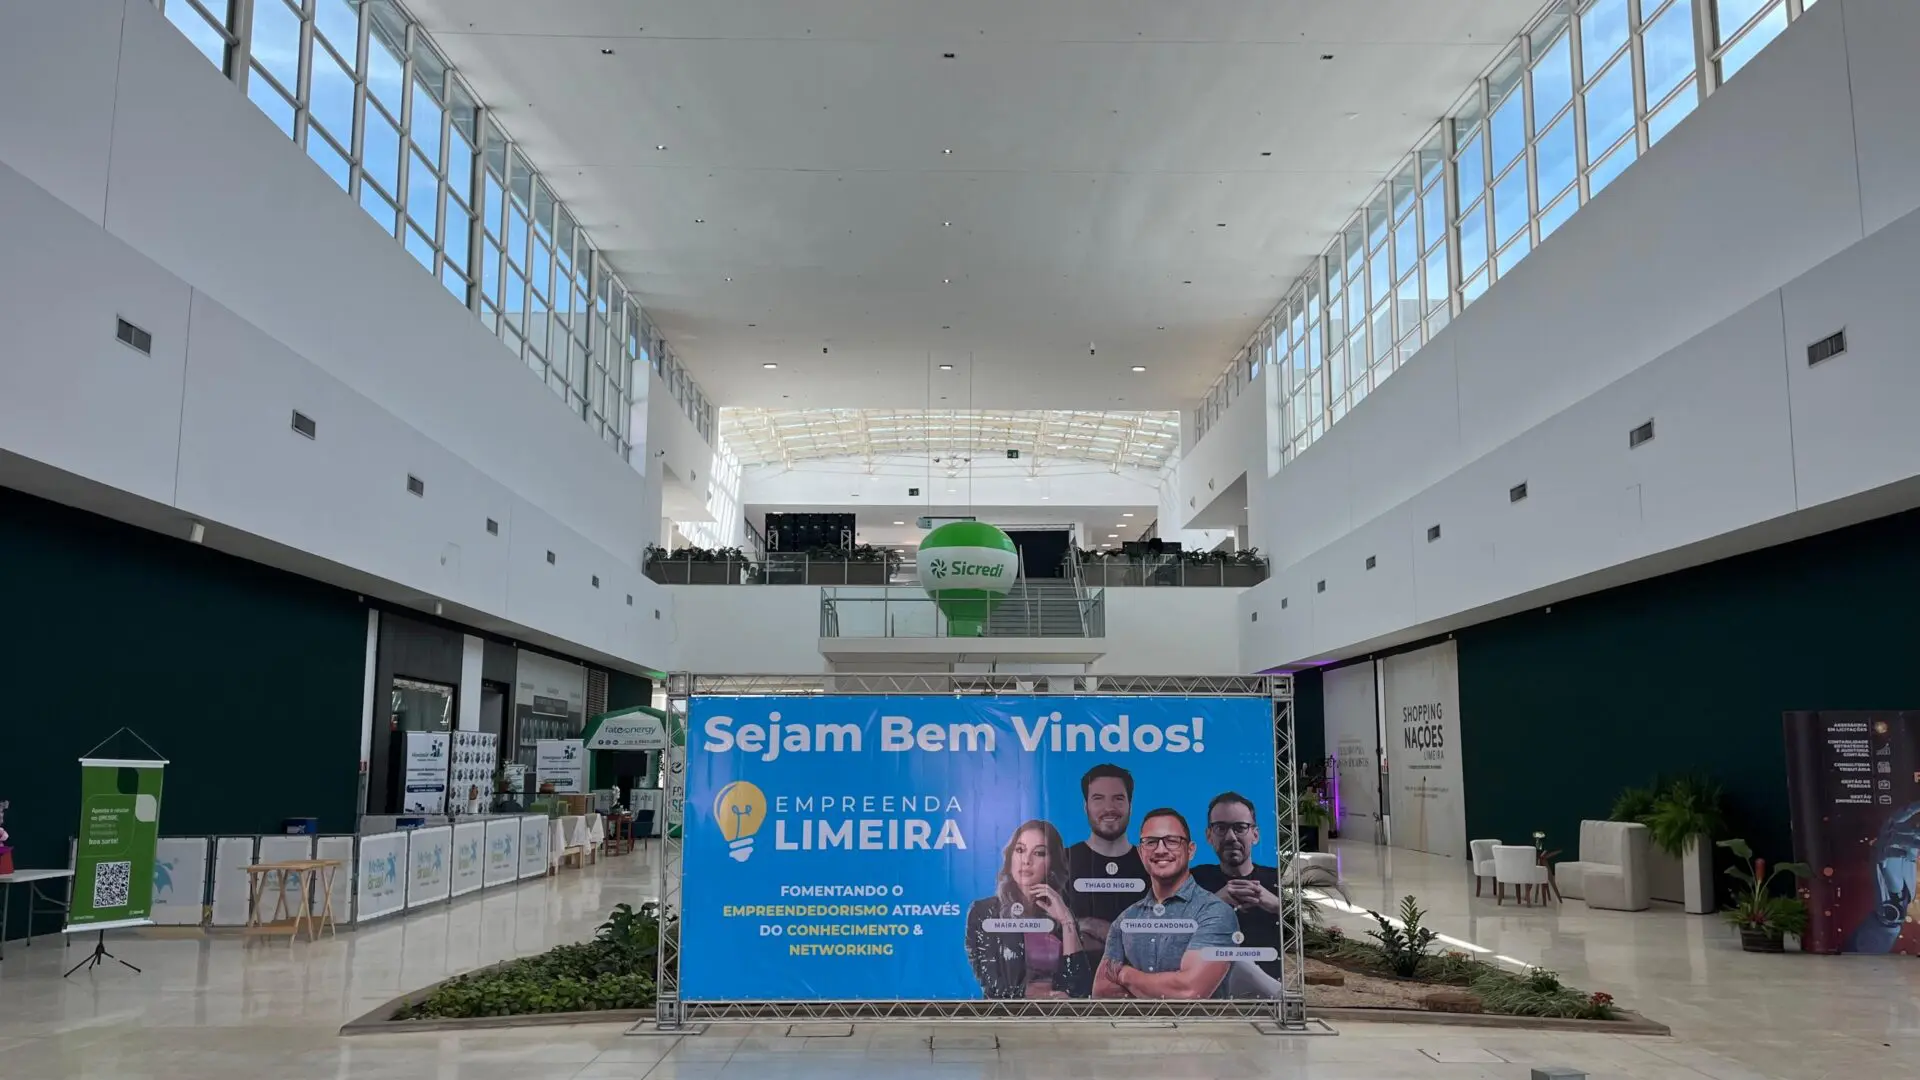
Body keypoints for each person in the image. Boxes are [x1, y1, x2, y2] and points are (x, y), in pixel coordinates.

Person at [1093, 807, 1238, 1000]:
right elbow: (1102, 992)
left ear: (1190, 850)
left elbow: (1188, 992)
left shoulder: (1215, 913)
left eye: (1172, 841)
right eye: (1151, 842)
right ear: (1140, 852)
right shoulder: (1125, 919)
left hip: (1197, 1022)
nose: (1160, 850)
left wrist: (1124, 974)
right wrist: (1164, 987)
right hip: (1135, 1022)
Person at [964, 820, 1091, 998]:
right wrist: (1044, 995)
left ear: (1052, 862)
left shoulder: (1062, 911)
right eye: (1020, 850)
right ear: (1010, 857)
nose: (1027, 860)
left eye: (1039, 853)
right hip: (1008, 1014)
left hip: (1056, 1014)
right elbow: (994, 986)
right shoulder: (983, 912)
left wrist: (1066, 921)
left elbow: (1079, 988)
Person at [1190, 791, 1283, 981]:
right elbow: (1169, 932)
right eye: (1221, 828)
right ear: (1209, 835)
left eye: (1240, 827)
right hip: (1206, 984)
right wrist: (1215, 903)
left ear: (1255, 835)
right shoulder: (1193, 879)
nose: (1231, 837)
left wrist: (1277, 905)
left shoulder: (1278, 879)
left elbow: (1309, 934)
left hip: (1269, 986)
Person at [1064, 763, 1148, 953]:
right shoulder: (1061, 861)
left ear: (1130, 806)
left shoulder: (1153, 864)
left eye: (1118, 799)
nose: (1109, 808)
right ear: (1085, 807)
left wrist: (1093, 928)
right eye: (1098, 799)